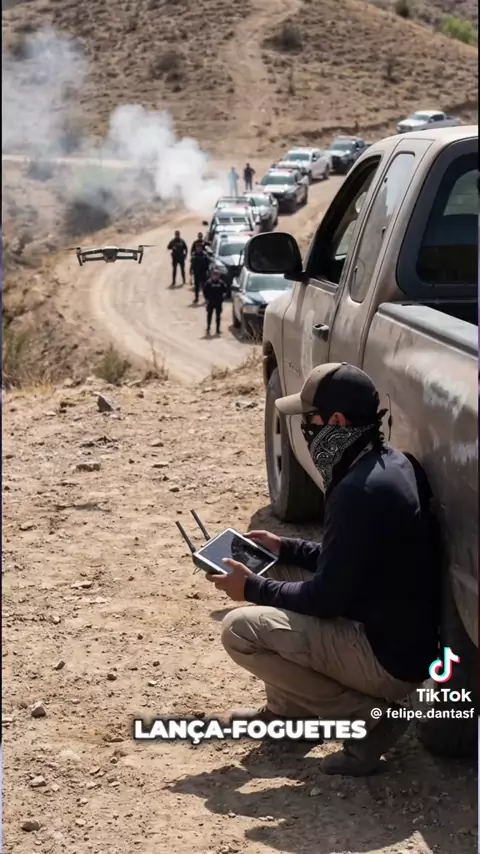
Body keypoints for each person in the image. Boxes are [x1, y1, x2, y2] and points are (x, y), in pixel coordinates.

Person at [206, 363, 440, 776]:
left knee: (239, 631)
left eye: (310, 420)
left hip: (387, 660)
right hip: (402, 636)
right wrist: (286, 547)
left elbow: (325, 598)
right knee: (276, 568)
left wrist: (249, 589)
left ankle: (368, 721)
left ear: (337, 423)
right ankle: (289, 716)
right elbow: (352, 558)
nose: (306, 430)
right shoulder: (389, 464)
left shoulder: (356, 492)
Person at [203, 267, 228, 336]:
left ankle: (218, 329)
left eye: (217, 275)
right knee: (209, 315)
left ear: (219, 275)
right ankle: (208, 328)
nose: (216, 276)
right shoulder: (208, 282)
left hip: (218, 302)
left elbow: (225, 290)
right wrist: (206, 299)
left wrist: (223, 297)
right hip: (210, 302)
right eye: (214, 274)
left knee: (218, 316)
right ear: (212, 275)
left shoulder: (221, 283)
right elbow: (204, 291)